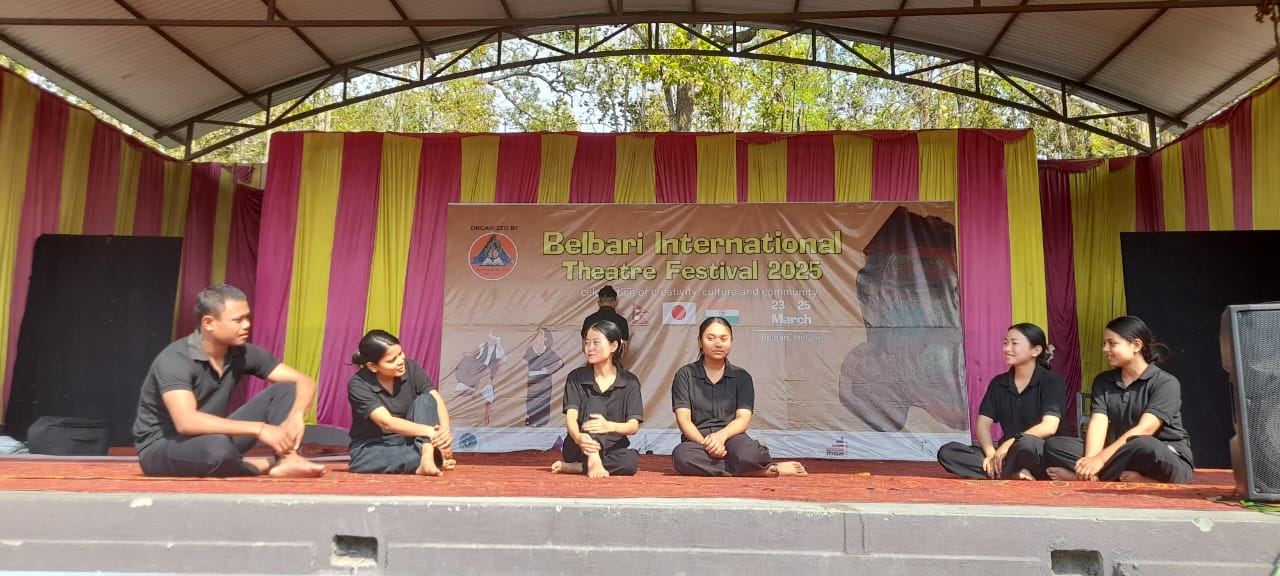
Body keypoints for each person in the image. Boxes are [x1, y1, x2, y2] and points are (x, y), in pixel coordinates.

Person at [132, 284, 326, 478]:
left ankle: (289, 459)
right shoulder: (175, 359)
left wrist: (296, 414)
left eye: (247, 317)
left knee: (287, 390)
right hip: (163, 448)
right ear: (209, 323)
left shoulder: (241, 352)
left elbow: (304, 381)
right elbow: (186, 422)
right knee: (218, 450)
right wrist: (259, 429)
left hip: (211, 438)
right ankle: (267, 464)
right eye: (238, 320)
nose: (246, 325)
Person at [1044, 316, 1194, 484]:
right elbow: (1098, 422)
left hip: (1161, 454)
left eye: (1112, 343)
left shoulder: (1165, 383)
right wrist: (1090, 461)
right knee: (1055, 445)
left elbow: (1145, 429)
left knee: (1143, 444)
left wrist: (1100, 460)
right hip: (1119, 454)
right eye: (1105, 343)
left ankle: (1095, 478)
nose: (1105, 349)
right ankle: (1102, 477)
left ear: (1136, 345)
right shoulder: (1103, 381)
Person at [670, 317, 806, 477]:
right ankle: (761, 471)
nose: (718, 344)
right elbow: (684, 420)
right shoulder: (685, 375)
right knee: (682, 457)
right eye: (711, 338)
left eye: (723, 339)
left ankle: (739, 466)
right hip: (699, 441)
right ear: (700, 341)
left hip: (732, 437)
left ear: (731, 341)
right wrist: (709, 445)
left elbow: (743, 419)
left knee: (750, 454)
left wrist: (722, 436)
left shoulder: (742, 377)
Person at [936, 323, 1066, 480]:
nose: (1007, 349)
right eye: (1005, 343)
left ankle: (1004, 472)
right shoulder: (999, 383)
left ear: (1036, 350)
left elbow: (1049, 426)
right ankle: (1010, 473)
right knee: (948, 452)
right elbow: (983, 425)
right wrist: (991, 455)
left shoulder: (1051, 382)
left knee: (1026, 444)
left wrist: (1010, 443)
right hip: (1006, 454)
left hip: (1036, 452)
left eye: (1014, 343)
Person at [346, 330, 456, 476]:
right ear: (373, 366)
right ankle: (432, 459)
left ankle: (428, 456)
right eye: (392, 360)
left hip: (415, 441)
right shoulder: (358, 384)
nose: (400, 361)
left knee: (426, 399)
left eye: (400, 353)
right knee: (361, 461)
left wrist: (444, 434)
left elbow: (437, 400)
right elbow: (387, 422)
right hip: (374, 446)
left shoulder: (412, 368)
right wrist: (431, 432)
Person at [551, 320, 643, 478]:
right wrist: (578, 437)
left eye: (596, 343)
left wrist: (609, 426)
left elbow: (633, 426)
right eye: (587, 343)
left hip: (611, 448)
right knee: (595, 401)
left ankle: (579, 467)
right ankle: (592, 459)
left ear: (613, 346)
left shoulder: (630, 381)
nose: (589, 348)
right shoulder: (576, 377)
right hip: (580, 446)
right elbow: (571, 417)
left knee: (630, 461)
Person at [453, 333, 506, 426]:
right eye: (489, 339)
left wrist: (499, 364)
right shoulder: (482, 346)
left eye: (492, 339)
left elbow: (502, 361)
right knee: (458, 390)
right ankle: (475, 390)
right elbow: (474, 353)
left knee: (489, 397)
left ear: (495, 340)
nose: (489, 341)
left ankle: (487, 420)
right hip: (476, 371)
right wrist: (469, 354)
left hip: (487, 372)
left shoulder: (498, 350)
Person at [523, 327, 565, 427]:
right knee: (531, 399)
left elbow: (560, 362)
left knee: (543, 400)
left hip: (544, 380)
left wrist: (550, 370)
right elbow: (523, 362)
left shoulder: (548, 351)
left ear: (545, 338)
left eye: (541, 334)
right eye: (538, 334)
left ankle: (542, 422)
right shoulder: (530, 349)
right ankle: (532, 420)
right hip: (533, 378)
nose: (538, 336)